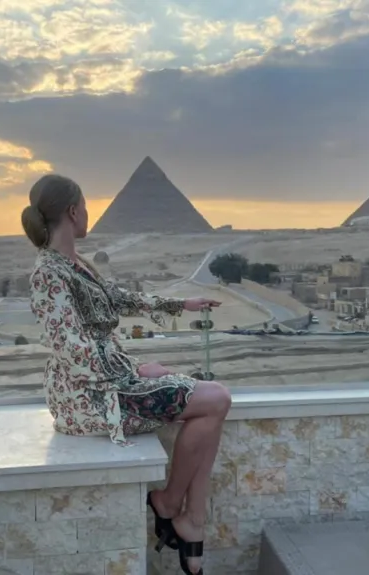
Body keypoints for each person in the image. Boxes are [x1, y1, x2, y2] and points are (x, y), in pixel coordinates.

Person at [22, 174, 232, 575]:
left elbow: (118, 298)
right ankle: (172, 506)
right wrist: (136, 372)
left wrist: (181, 304)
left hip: (109, 380)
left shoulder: (74, 264)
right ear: (73, 211)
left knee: (212, 406)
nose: (89, 214)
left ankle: (192, 518)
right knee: (216, 399)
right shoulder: (47, 274)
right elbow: (71, 349)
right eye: (86, 207)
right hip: (89, 397)